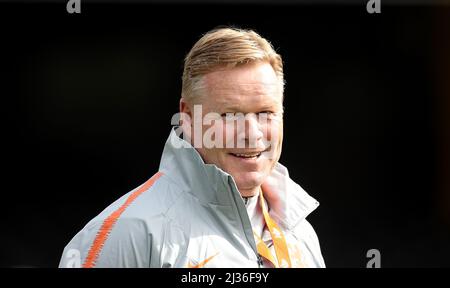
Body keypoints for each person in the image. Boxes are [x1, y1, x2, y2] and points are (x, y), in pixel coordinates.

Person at [59, 27, 325, 268]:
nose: (251, 134)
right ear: (187, 116)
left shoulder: (301, 235)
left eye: (265, 113)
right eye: (230, 115)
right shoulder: (127, 233)